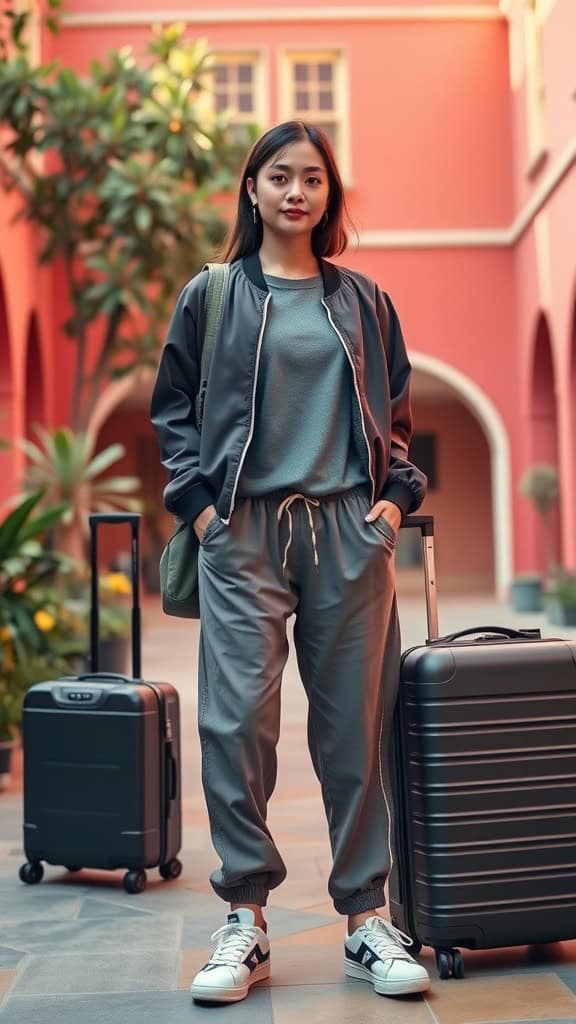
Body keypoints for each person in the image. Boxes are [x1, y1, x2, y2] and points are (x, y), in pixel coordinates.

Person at [150, 120, 429, 1005]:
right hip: (244, 532)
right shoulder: (214, 294)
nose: (297, 192)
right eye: (280, 176)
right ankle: (245, 918)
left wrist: (390, 505)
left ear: (328, 194)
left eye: (312, 177)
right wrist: (199, 514)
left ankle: (365, 920)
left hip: (352, 531)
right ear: (254, 189)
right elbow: (173, 412)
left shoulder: (363, 300)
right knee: (235, 727)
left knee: (352, 729)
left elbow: (395, 409)